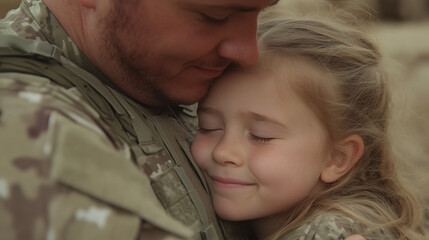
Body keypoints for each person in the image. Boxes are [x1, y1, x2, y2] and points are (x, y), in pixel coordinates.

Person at [0, 0, 280, 239]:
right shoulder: (26, 128)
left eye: (260, 13)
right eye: (215, 16)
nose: (248, 53)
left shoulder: (154, 73)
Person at [190, 10, 427, 240]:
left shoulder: (330, 232)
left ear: (337, 158)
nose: (223, 152)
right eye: (209, 127)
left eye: (261, 136)